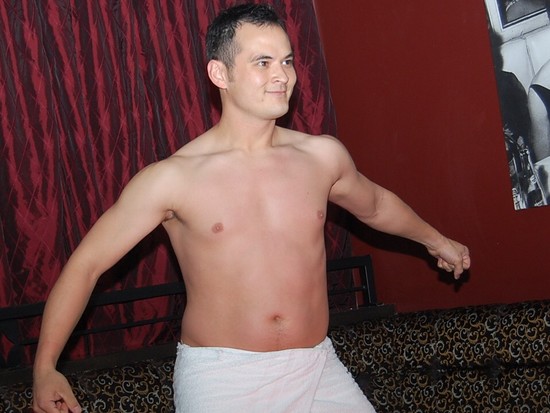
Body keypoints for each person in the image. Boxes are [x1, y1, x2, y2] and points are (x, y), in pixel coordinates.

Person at [32, 3, 470, 412]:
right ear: (219, 73)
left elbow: (375, 206)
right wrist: (46, 368)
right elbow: (87, 265)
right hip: (223, 378)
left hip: (317, 367)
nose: (282, 76)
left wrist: (436, 240)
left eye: (287, 61)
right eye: (263, 62)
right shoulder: (173, 178)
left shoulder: (322, 157)